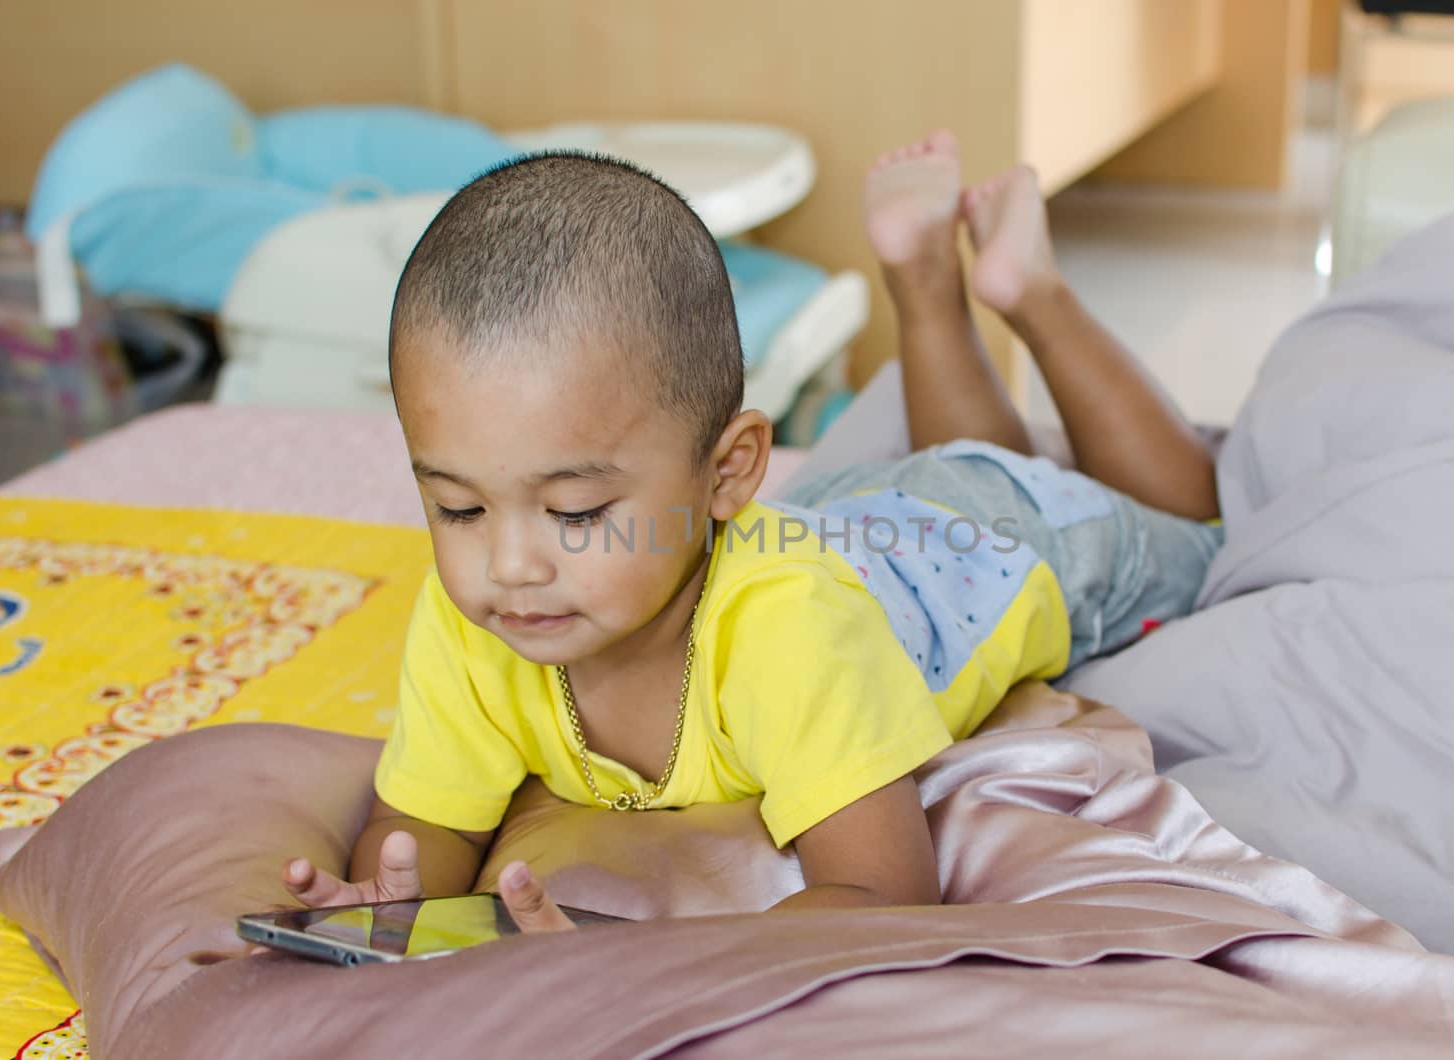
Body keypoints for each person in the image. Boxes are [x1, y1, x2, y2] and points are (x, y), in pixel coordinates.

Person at [279, 131, 1222, 931]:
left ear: (727, 473)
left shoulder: (791, 634)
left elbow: (884, 893)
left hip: (992, 546)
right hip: (843, 522)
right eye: (458, 507)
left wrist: (650, 964)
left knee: (1187, 514)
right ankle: (928, 275)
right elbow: (429, 831)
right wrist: (386, 911)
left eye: (573, 514)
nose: (508, 564)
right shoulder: (474, 623)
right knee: (956, 452)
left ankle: (1028, 293)